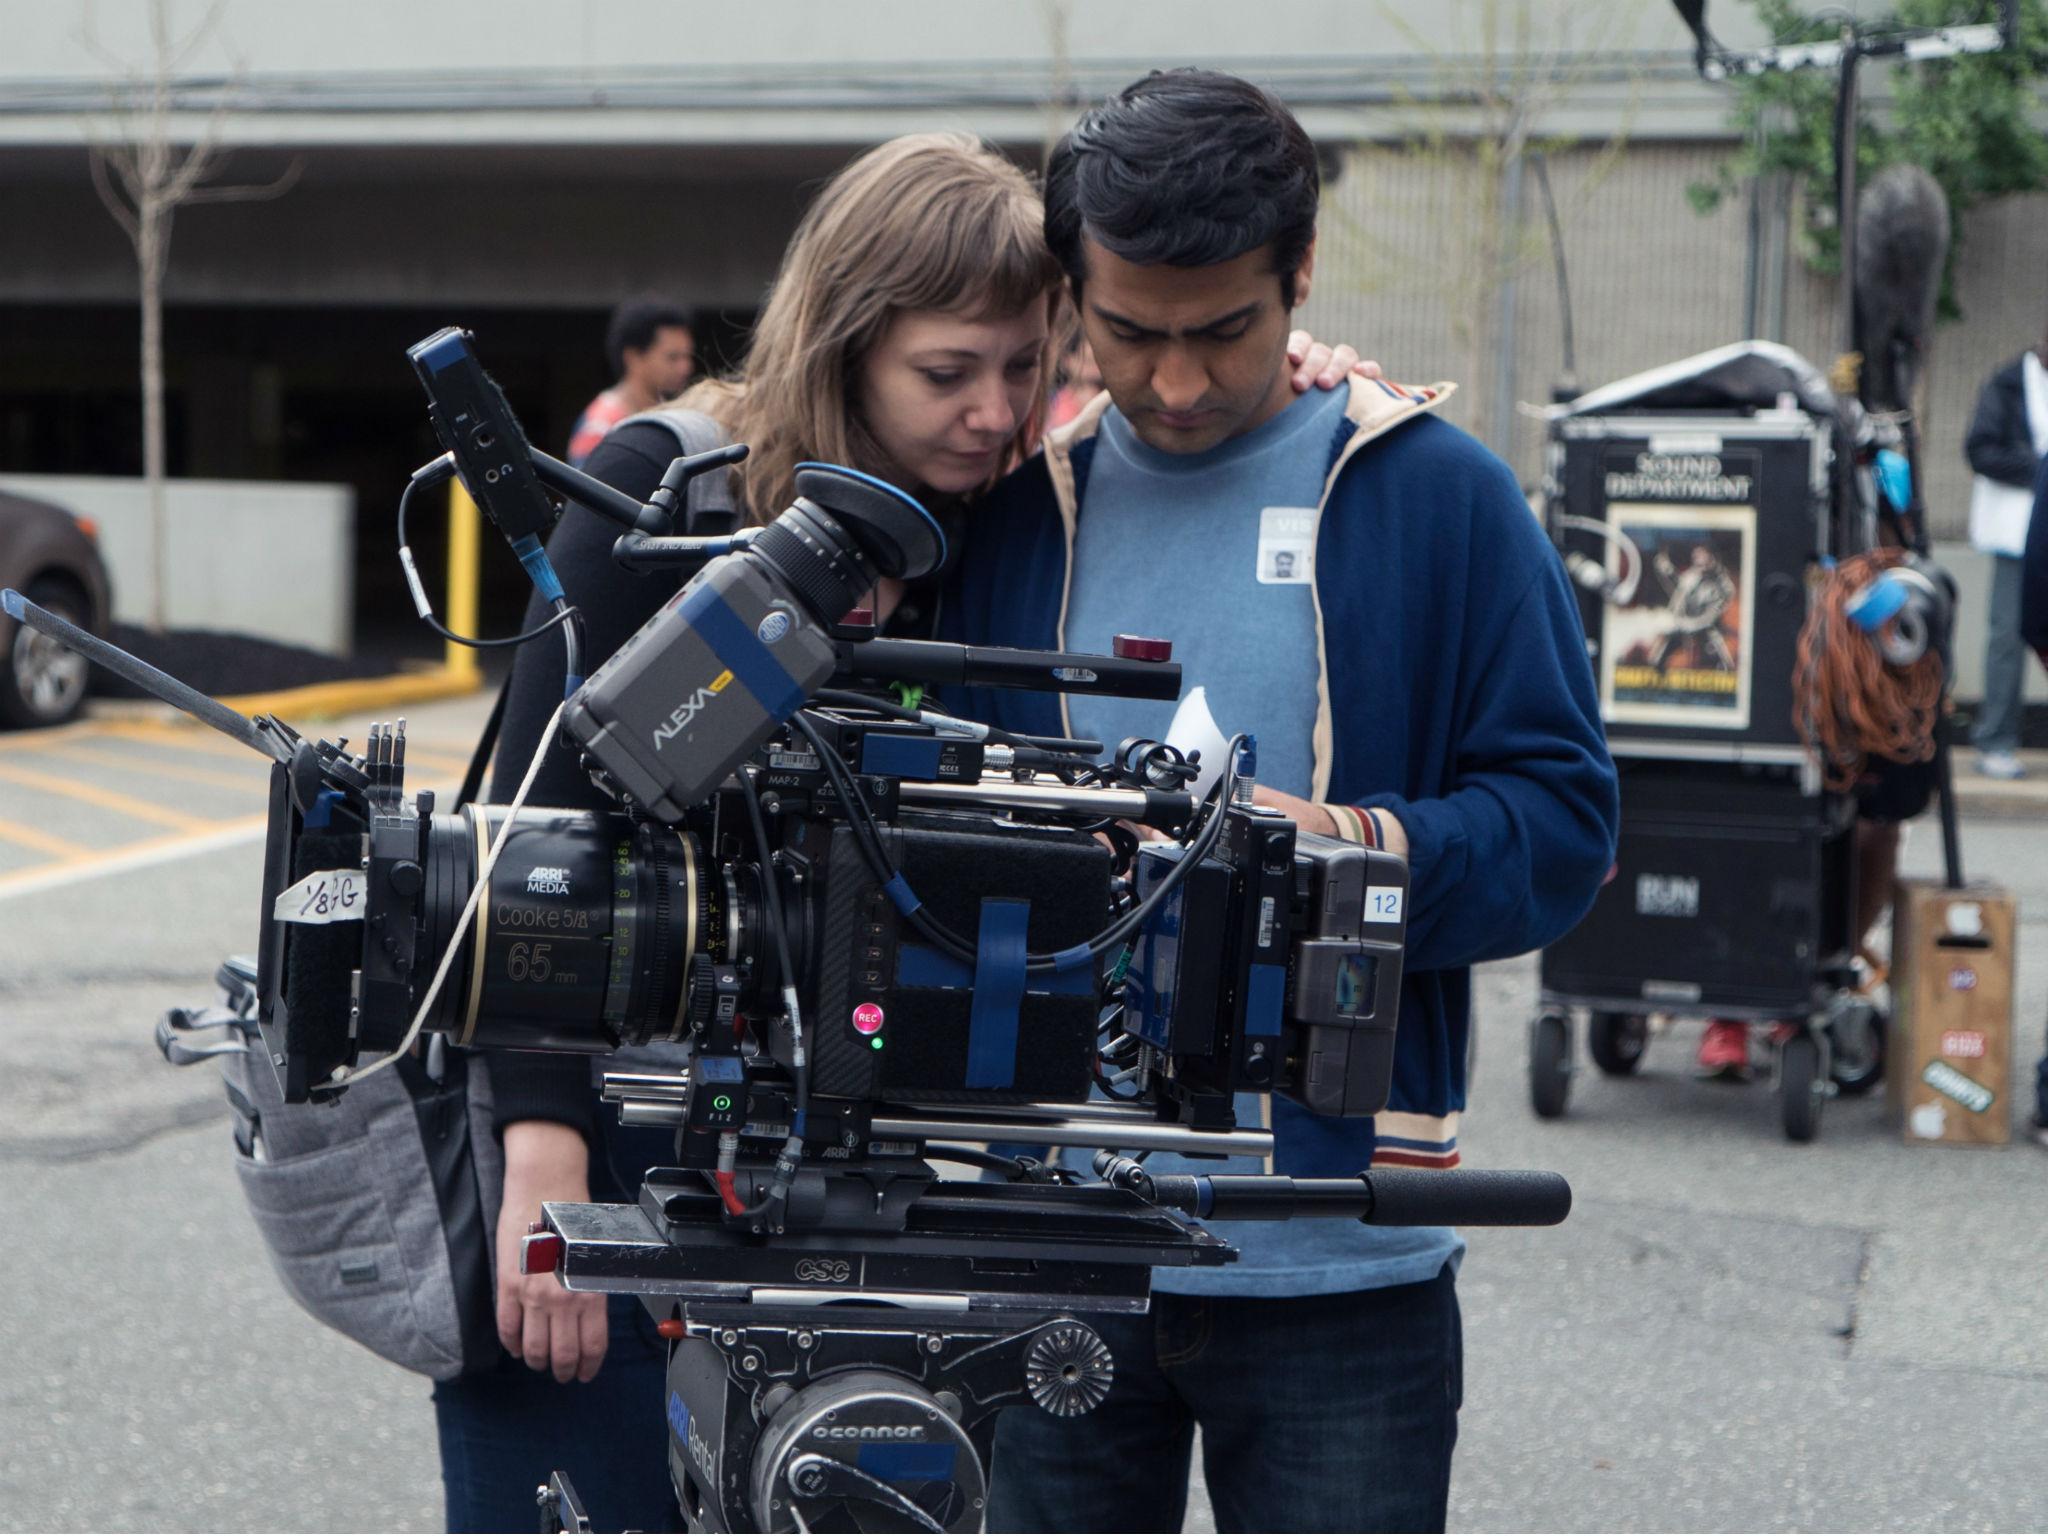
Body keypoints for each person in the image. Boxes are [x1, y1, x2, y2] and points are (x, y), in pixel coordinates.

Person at [435, 132, 1371, 1534]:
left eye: (1025, 368)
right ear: (845, 341)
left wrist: (1305, 381)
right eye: (949, 373)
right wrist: (546, 1164)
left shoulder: (991, 522)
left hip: (841, 1170)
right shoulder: (669, 489)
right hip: (600, 1136)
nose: (995, 414)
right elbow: (532, 850)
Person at [938, 70, 1619, 1534]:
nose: (1176, 383)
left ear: (1300, 277)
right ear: (1073, 298)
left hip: (1341, 1253)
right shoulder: (1004, 507)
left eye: (1224, 333)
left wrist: (1341, 857)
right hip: (1052, 1232)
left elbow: (1563, 827)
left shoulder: (1433, 497)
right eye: (1129, 334)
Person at [1963, 334, 2048, 779]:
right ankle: (1995, 741)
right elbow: (1981, 449)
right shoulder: (2007, 384)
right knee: (2008, 638)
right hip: (2016, 534)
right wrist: (2040, 471)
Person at [564, 294, 698, 466]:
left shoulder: (672, 417)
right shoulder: (599, 428)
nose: (685, 367)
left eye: (687, 356)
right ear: (633, 357)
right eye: (673, 357)